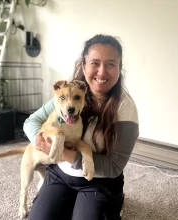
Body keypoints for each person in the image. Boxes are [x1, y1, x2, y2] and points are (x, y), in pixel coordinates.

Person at [23, 34, 139, 220]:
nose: (101, 72)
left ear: (119, 68)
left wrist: (63, 154)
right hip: (60, 175)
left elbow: (114, 166)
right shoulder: (69, 94)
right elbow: (31, 122)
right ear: (83, 66)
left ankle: (115, 202)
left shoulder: (125, 108)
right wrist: (41, 140)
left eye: (110, 64)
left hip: (98, 182)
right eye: (95, 63)